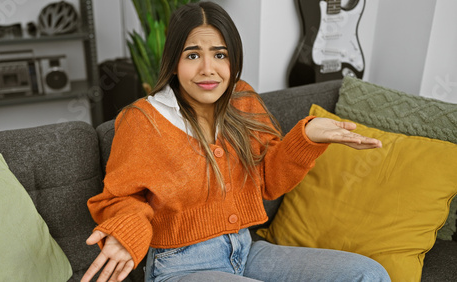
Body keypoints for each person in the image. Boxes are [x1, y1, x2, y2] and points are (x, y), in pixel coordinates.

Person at [81, 2, 390, 282]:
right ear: (174, 62)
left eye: (220, 54)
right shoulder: (142, 119)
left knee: (367, 274)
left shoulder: (242, 99)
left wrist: (306, 137)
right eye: (192, 55)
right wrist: (127, 230)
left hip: (246, 250)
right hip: (180, 266)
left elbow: (270, 179)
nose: (207, 68)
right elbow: (120, 197)